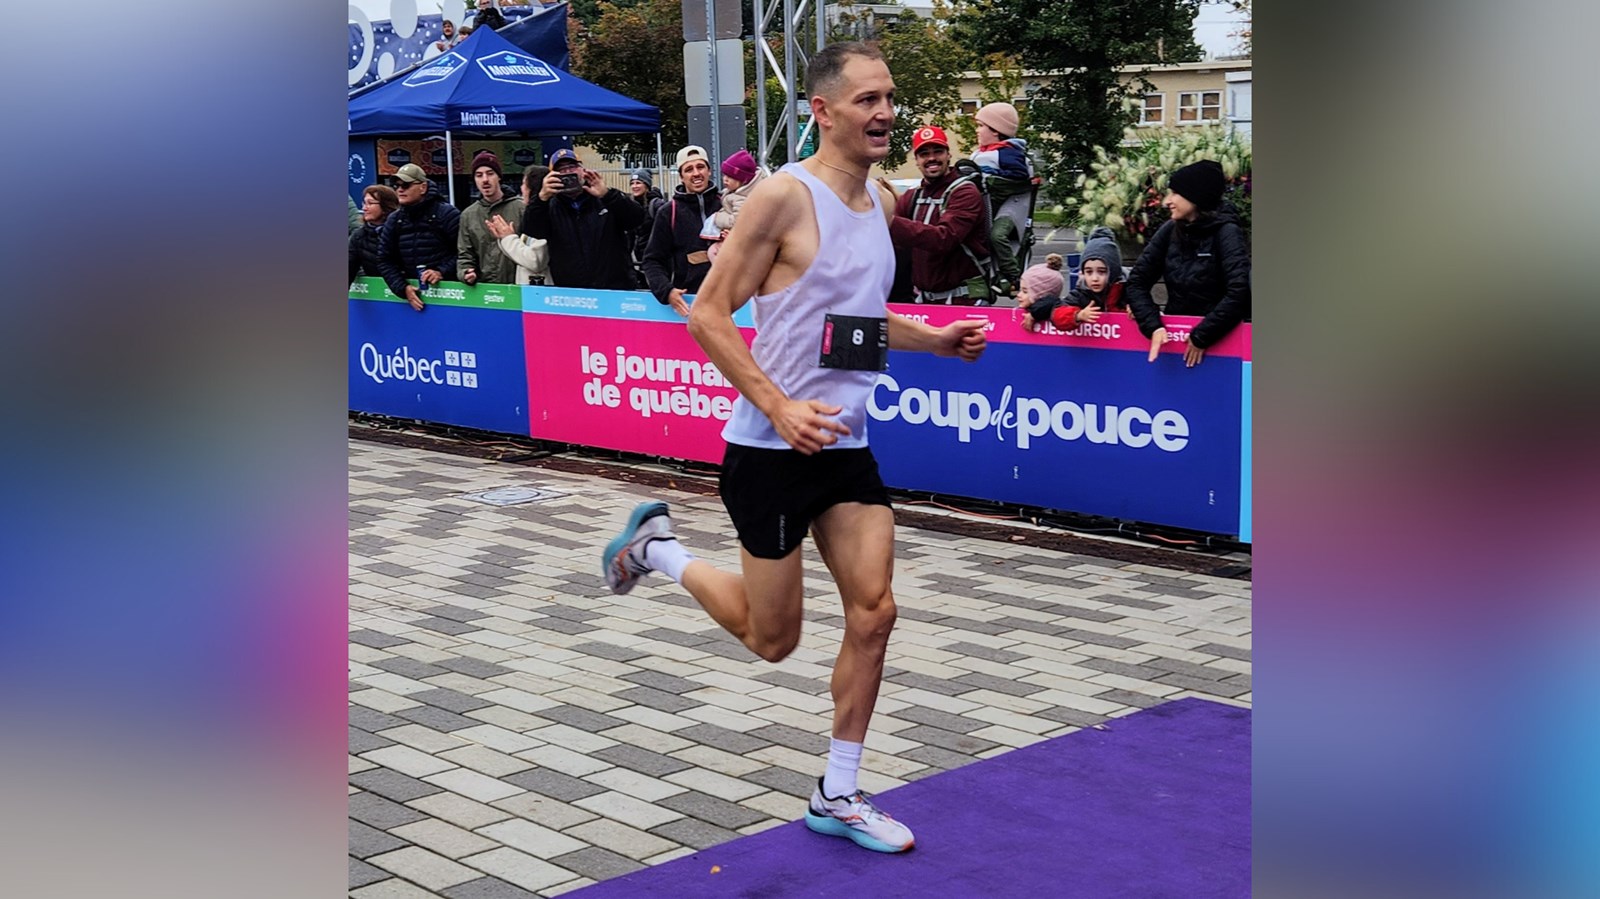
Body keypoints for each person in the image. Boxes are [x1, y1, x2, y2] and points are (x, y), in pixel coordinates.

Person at [600, 41, 988, 856]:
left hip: (845, 446)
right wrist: (777, 406)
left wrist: (935, 339)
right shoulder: (782, 196)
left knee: (876, 612)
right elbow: (709, 313)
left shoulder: (880, 200)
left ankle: (837, 792)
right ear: (822, 110)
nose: (885, 113)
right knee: (773, 639)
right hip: (768, 451)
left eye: (890, 97)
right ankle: (658, 549)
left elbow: (858, 321)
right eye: (867, 100)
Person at [1124, 159, 1251, 367]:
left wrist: (1201, 336)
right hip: (1175, 343)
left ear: (1196, 196)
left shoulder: (1227, 232)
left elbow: (1239, 292)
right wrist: (1153, 325)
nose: (1167, 201)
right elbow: (1136, 282)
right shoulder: (1169, 230)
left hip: (1221, 346)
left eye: (1175, 193)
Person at [888, 124, 990, 305]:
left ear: (948, 155)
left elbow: (944, 239)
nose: (932, 158)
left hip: (964, 301)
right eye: (924, 154)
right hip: (924, 302)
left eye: (938, 151)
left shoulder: (965, 192)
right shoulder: (912, 196)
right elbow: (892, 246)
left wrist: (888, 222)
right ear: (916, 160)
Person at [521, 148, 646, 290]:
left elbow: (636, 219)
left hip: (615, 288)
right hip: (573, 291)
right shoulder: (549, 206)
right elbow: (532, 230)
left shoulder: (605, 198)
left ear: (582, 170)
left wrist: (607, 195)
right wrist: (541, 198)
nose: (568, 173)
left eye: (572, 167)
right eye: (561, 170)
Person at [642, 145, 722, 316]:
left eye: (700, 167)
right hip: (689, 305)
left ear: (709, 171)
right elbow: (652, 260)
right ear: (681, 177)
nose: (696, 173)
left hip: (733, 302)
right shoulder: (668, 212)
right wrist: (667, 292)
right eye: (689, 169)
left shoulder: (727, 204)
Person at [376, 163, 461, 311]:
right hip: (412, 300)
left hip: (451, 297)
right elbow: (384, 259)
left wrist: (441, 271)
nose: (400, 189)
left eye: (406, 185)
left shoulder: (447, 214)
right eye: (396, 185)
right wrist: (402, 288)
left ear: (423, 187)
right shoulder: (394, 219)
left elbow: (464, 253)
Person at [971, 102, 1034, 292]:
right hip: (985, 205)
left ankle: (1014, 276)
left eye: (981, 126)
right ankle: (991, 275)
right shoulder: (978, 153)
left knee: (997, 236)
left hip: (1009, 206)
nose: (977, 130)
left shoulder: (1007, 152)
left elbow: (1019, 175)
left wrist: (991, 177)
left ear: (996, 131)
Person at [457, 151, 525, 286]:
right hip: (485, 289)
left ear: (499, 177)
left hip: (518, 287)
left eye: (490, 173)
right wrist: (465, 272)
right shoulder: (468, 215)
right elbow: (465, 255)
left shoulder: (521, 208)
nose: (485, 180)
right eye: (479, 175)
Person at [486, 165, 551, 285]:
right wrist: (505, 238)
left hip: (541, 292)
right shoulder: (532, 214)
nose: (521, 188)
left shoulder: (542, 215)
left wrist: (508, 238)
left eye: (524, 184)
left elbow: (535, 261)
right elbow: (522, 256)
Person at [707, 148, 768, 244]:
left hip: (739, 240)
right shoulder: (734, 192)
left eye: (730, 177)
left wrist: (717, 217)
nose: (725, 179)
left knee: (713, 250)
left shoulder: (741, 198)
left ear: (744, 180)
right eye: (724, 175)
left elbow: (737, 221)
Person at [349, 184, 399, 284]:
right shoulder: (359, 236)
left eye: (370, 203)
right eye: (364, 203)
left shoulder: (401, 231)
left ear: (386, 206)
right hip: (376, 289)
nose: (364, 208)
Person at [627, 168, 667, 281]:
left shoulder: (657, 205)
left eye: (638, 183)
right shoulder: (631, 206)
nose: (634, 186)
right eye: (632, 183)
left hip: (658, 259)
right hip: (641, 258)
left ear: (647, 185)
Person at [1013, 254, 1066, 333]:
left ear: (1040, 294)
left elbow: (1051, 301)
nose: (1018, 295)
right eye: (1020, 290)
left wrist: (1033, 314)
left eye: (1025, 291)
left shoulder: (1051, 308)